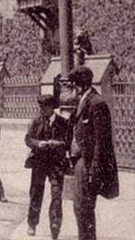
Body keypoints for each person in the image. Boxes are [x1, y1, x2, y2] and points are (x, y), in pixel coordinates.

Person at [68, 65, 118, 240]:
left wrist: (94, 170)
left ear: (79, 86)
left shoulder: (97, 104)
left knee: (84, 208)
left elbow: (101, 142)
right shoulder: (84, 102)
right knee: (80, 208)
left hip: (88, 164)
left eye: (72, 86)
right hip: (81, 162)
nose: (70, 91)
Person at [24, 94, 69, 239]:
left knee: (56, 194)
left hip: (56, 163)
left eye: (44, 107)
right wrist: (38, 143)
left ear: (51, 108)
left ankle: (55, 225)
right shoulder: (36, 121)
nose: (41, 110)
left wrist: (56, 143)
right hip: (39, 162)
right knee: (36, 192)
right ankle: (32, 224)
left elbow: (68, 142)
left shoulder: (63, 123)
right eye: (40, 107)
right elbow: (28, 139)